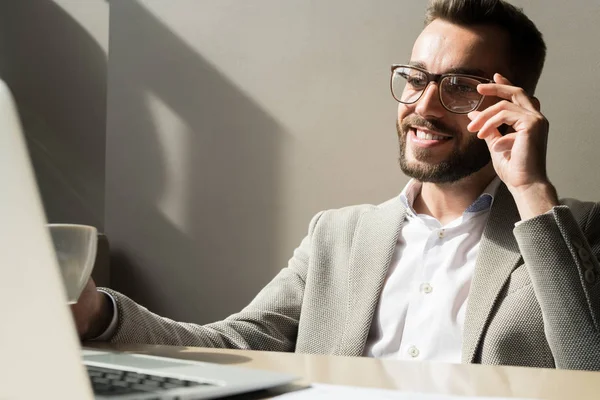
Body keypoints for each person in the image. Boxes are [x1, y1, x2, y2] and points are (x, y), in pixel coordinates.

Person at [72, 0, 600, 371]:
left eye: (460, 87)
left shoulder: (575, 231)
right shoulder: (337, 236)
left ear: (515, 105)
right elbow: (237, 343)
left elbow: (589, 367)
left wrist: (531, 189)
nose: (423, 106)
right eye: (416, 79)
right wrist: (100, 315)